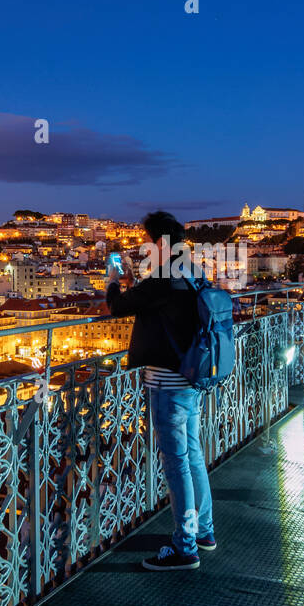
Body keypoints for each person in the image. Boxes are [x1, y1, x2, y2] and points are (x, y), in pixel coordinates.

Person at [105, 211, 214, 571]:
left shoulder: (165, 275)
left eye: (148, 241)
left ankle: (185, 548)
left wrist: (113, 279)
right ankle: (204, 531)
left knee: (176, 463)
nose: (145, 247)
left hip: (167, 382)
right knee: (193, 454)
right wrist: (139, 281)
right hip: (192, 375)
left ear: (162, 243)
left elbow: (118, 306)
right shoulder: (194, 272)